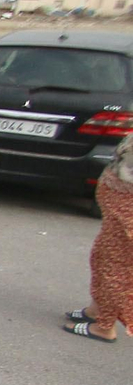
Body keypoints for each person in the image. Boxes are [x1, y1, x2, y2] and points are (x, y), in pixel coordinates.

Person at [64, 133, 133, 343]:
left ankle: (104, 326)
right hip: (120, 192)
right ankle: (97, 309)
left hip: (127, 200)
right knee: (103, 256)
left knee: (116, 265)